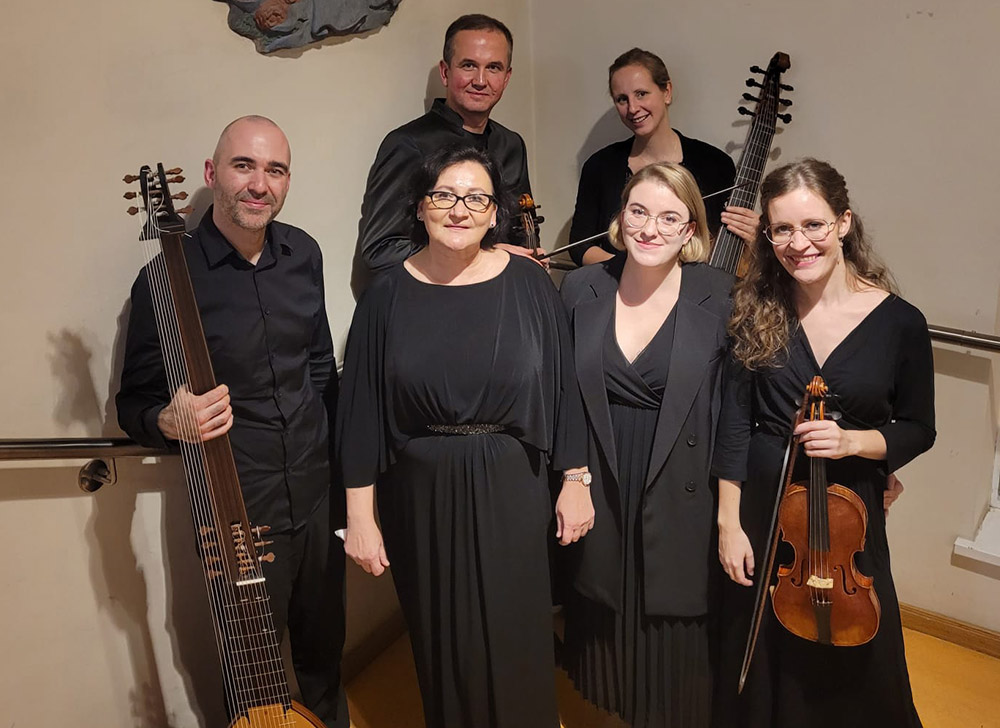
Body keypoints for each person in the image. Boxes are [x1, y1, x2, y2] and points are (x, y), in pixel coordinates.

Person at [336, 144, 591, 728]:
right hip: (419, 493)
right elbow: (360, 415)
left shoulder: (530, 285)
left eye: (476, 197)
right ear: (419, 206)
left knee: (517, 634)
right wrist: (362, 517)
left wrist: (575, 479)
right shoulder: (385, 296)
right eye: (444, 195)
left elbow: (562, 390)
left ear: (495, 210)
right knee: (442, 639)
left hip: (512, 485)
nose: (460, 210)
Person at [116, 116, 349, 727]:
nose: (259, 184)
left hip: (317, 491)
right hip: (236, 509)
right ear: (212, 174)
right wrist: (169, 418)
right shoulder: (167, 277)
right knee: (251, 673)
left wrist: (352, 484)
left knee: (326, 657)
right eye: (244, 166)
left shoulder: (304, 253)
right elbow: (133, 402)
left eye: (274, 170)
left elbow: (322, 370)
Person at [712, 158, 935, 727]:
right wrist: (729, 523)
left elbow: (917, 427)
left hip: (850, 511)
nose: (799, 243)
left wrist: (855, 443)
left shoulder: (899, 322)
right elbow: (735, 422)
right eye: (782, 229)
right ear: (767, 235)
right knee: (759, 650)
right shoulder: (756, 308)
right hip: (765, 503)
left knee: (862, 648)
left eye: (813, 225)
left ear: (843, 223)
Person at [560, 163, 733, 727]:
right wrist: (573, 477)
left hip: (682, 481)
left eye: (669, 217)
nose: (650, 229)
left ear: (690, 231)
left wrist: (730, 515)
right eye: (638, 211)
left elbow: (737, 409)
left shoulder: (718, 293)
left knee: (676, 635)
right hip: (603, 472)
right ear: (619, 216)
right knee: (607, 614)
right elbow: (562, 394)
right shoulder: (583, 286)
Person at [352, 13, 540, 298]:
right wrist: (485, 254)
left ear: (507, 77)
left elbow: (514, 237)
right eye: (468, 65)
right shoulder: (407, 143)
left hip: (501, 300)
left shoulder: (512, 145)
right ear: (445, 72)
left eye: (493, 68)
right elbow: (380, 249)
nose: (480, 80)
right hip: (434, 303)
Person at [569, 48, 759, 267]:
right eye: (622, 99)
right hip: (623, 290)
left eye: (641, 94)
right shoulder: (600, 166)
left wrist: (755, 236)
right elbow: (579, 246)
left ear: (666, 92)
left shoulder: (715, 164)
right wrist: (634, 268)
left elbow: (728, 245)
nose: (633, 108)